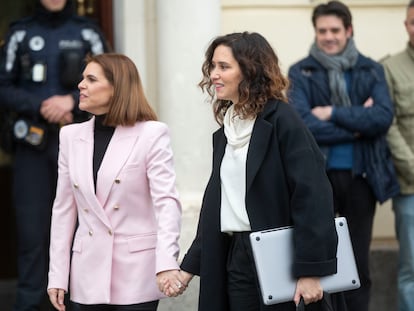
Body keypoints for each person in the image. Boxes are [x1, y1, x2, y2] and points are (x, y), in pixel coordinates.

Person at [160, 31, 345, 311]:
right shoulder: (225, 132)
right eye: (212, 66)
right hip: (237, 256)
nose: (214, 75)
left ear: (250, 70)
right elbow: (217, 207)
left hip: (283, 256)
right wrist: (188, 269)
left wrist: (311, 270)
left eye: (224, 67)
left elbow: (313, 195)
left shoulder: (283, 120)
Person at [47, 53, 183, 311]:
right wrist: (57, 275)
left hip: (137, 274)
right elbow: (63, 210)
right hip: (86, 274)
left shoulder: (151, 134)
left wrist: (166, 263)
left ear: (116, 88)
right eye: (82, 78)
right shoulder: (70, 136)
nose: (80, 85)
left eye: (91, 79)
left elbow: (167, 203)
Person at [287, 1, 400, 311]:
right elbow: (303, 126)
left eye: (335, 30)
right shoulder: (300, 71)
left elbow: (380, 117)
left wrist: (332, 113)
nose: (328, 36)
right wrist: (355, 127)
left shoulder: (370, 69)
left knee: (358, 265)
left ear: (348, 30)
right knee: (319, 262)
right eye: (322, 30)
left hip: (362, 178)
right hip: (317, 181)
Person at [0, 0, 110, 309]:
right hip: (31, 147)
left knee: (82, 230)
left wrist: (71, 102)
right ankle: (30, 304)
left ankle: (79, 303)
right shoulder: (20, 34)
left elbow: (111, 80)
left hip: (79, 146)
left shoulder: (88, 33)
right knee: (32, 234)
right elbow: (3, 86)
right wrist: (40, 106)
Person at [381, 1, 414, 310]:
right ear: (406, 25)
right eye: (413, 22)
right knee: (412, 269)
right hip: (410, 187)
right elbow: (388, 124)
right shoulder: (390, 68)